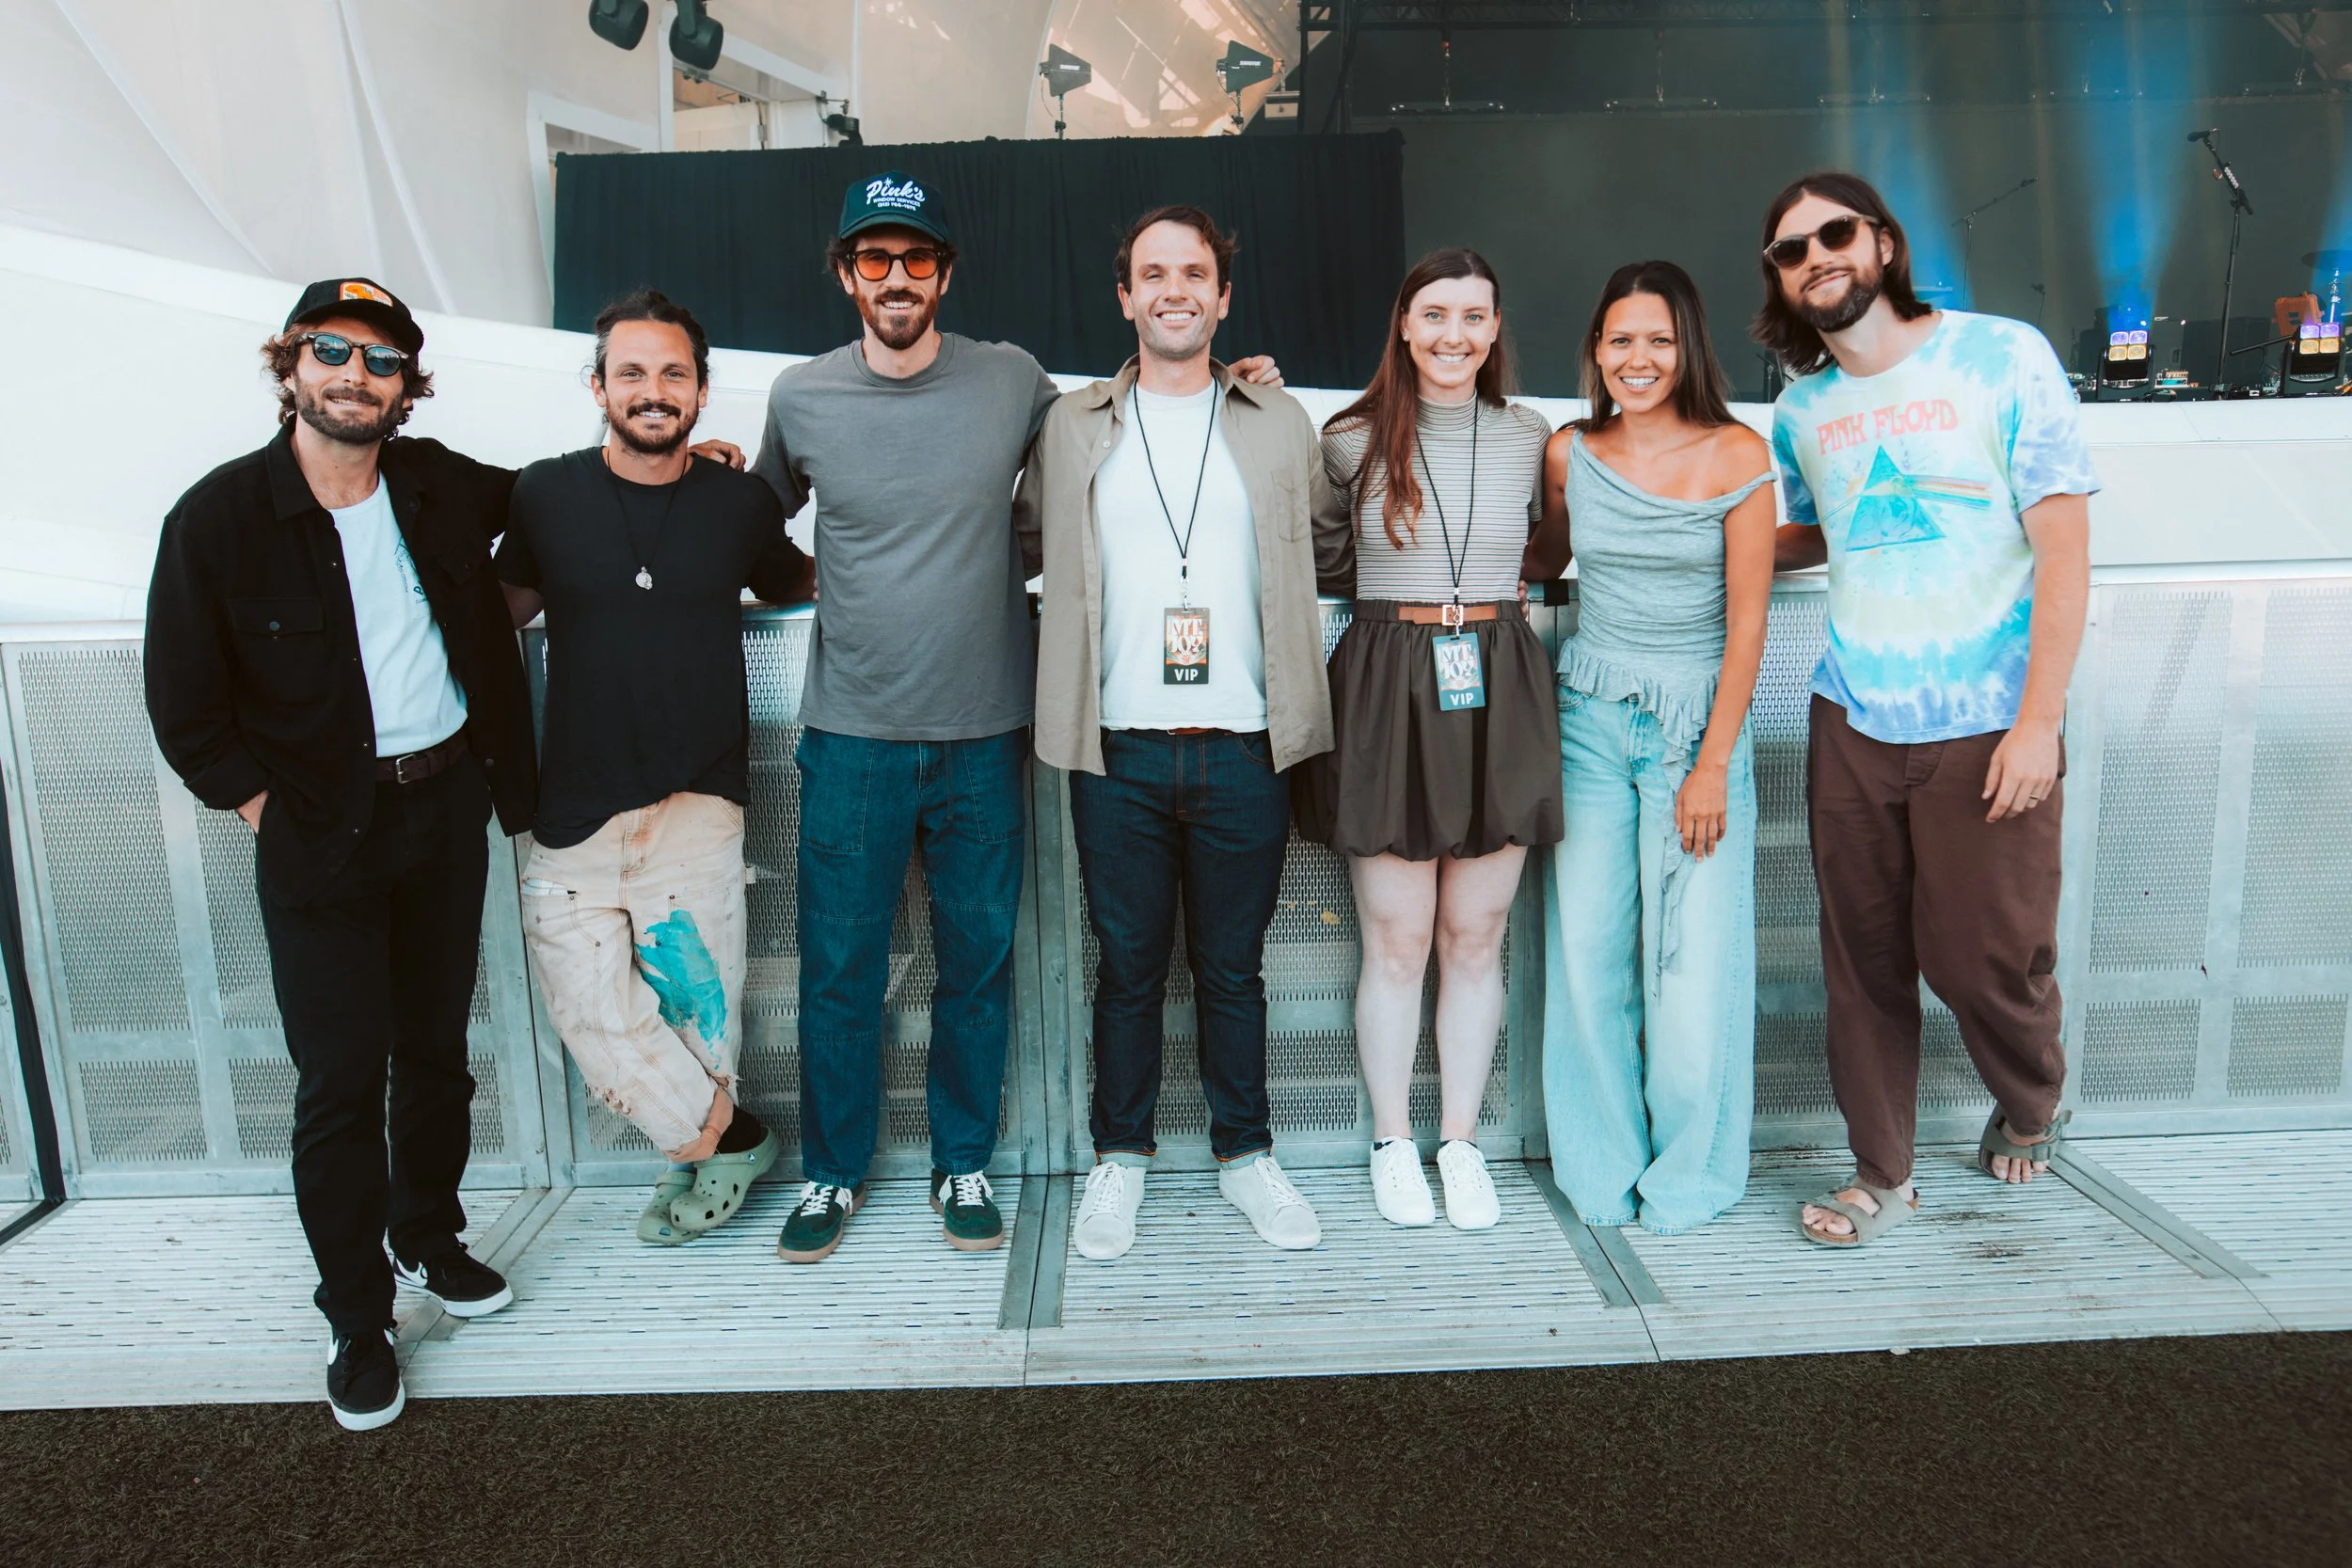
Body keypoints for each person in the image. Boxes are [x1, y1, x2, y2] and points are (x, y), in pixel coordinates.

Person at [751, 172, 1284, 1263]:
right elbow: (753, 527)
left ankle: (962, 1159)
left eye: (915, 258)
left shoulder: (1014, 384)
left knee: (976, 964)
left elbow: (1133, 425)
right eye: (872, 258)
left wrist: (1239, 382)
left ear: (944, 271)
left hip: (989, 732)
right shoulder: (800, 398)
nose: (895, 278)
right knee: (839, 966)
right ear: (846, 273)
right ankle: (832, 1174)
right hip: (850, 733)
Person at [144, 279, 533, 1431]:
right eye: (332, 351)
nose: (354, 375)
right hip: (319, 836)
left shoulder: (434, 482)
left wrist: (684, 456)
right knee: (337, 1084)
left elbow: (564, 506)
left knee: (436, 1055)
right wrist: (268, 810)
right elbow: (184, 707)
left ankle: (428, 1241)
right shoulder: (216, 520)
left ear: (407, 387)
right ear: (291, 366)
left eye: (380, 360)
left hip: (441, 810)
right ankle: (358, 1319)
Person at [1754, 171, 2097, 1246]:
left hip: (1989, 717)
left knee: (1980, 955)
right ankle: (1878, 1170)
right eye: (1790, 249)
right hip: (1852, 713)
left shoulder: (2002, 355)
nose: (1816, 256)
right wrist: (1675, 531)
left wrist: (2038, 718)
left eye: (1835, 233)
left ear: (1884, 242)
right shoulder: (1802, 408)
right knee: (1859, 960)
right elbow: (1819, 531)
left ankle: (2033, 1095)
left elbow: (2065, 548)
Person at [1017, 205, 1351, 1261]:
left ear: (1220, 294)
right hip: (1115, 746)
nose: (1174, 289)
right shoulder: (1070, 426)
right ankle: (1119, 1159)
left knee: (1233, 966)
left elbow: (1334, 544)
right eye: (1152, 273)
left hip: (1244, 740)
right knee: (1124, 965)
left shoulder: (1276, 420)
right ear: (1124, 296)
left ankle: (1245, 1155)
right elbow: (1021, 539)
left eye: (1193, 272)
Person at [498, 292, 814, 1246]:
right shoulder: (544, 493)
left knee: (697, 1018)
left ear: (703, 392)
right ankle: (738, 1138)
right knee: (591, 1010)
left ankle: (695, 1152)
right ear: (597, 386)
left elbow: (797, 582)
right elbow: (491, 617)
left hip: (696, 802)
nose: (652, 389)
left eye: (673, 372)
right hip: (577, 809)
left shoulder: (739, 499)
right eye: (630, 371)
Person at [1521, 261, 1775, 1235]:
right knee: (1587, 952)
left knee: (1692, 961)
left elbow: (1747, 623)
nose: (1638, 358)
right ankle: (1598, 1166)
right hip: (1586, 713)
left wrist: (1711, 763)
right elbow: (1544, 561)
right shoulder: (1566, 451)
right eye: (1620, 339)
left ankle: (1689, 1173)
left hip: (1695, 727)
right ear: (1594, 349)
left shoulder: (1736, 452)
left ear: (1689, 349)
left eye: (1658, 340)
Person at [1311, 249, 1560, 1231]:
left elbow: (1546, 549)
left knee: (1475, 932)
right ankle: (1390, 1138)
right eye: (1434, 315)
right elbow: (1326, 558)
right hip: (1385, 678)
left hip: (1497, 674)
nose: (1453, 334)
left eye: (1473, 316)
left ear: (1495, 330)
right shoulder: (1348, 440)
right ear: (1404, 327)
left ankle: (1458, 1139)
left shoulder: (1531, 434)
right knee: (1396, 935)